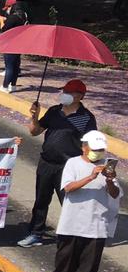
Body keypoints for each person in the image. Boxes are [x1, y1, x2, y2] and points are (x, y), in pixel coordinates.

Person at [44, 131, 120, 272]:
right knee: (66, 254)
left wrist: (109, 180)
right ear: (84, 147)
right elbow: (68, 188)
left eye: (101, 149)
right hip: (73, 219)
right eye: (95, 149)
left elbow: (115, 194)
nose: (98, 152)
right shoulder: (73, 163)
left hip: (96, 221)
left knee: (90, 258)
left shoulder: (107, 166)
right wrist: (91, 177)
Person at [19, 79, 97, 247]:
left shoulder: (86, 118)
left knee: (70, 203)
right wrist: (34, 116)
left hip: (68, 167)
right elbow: (35, 131)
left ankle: (75, 236)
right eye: (64, 91)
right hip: (46, 162)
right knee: (41, 200)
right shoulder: (54, 111)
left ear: (79, 96)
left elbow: (91, 144)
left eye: (69, 92)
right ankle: (36, 233)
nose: (64, 94)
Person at [0, 0, 28, 91]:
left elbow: (4, 30)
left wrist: (1, 21)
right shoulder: (23, 15)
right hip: (19, 43)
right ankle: (13, 85)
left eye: (8, 8)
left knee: (9, 66)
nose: (7, 10)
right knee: (16, 65)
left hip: (10, 43)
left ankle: (5, 86)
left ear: (11, 7)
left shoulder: (13, 17)